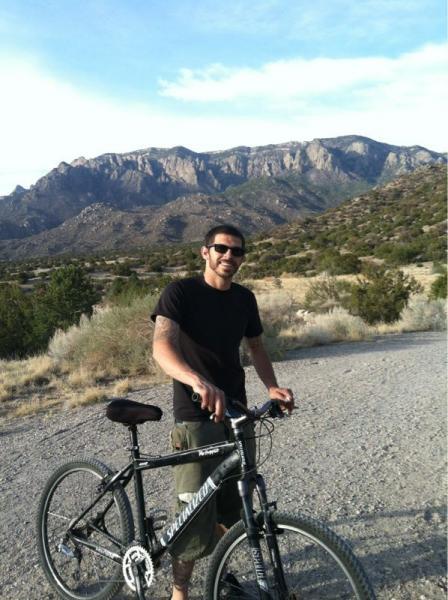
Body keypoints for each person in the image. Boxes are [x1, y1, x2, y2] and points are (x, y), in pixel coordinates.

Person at [151, 224, 294, 600]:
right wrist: (197, 382)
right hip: (195, 417)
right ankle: (179, 590)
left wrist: (271, 387)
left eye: (238, 252)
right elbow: (162, 347)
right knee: (193, 514)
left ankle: (221, 570)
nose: (229, 256)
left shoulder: (244, 299)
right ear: (205, 252)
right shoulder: (180, 293)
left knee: (233, 506)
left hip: (236, 412)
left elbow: (257, 348)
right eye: (222, 249)